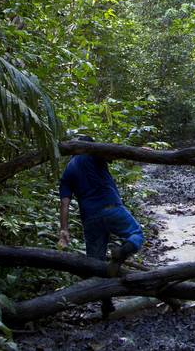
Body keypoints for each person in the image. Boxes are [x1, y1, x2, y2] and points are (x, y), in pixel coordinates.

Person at [58, 135, 144, 319]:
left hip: (90, 219)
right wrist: (142, 151)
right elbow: (115, 152)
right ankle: (121, 252)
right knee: (136, 234)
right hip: (111, 208)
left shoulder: (68, 171)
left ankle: (106, 303)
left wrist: (63, 229)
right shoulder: (93, 152)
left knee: (96, 264)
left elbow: (64, 202)